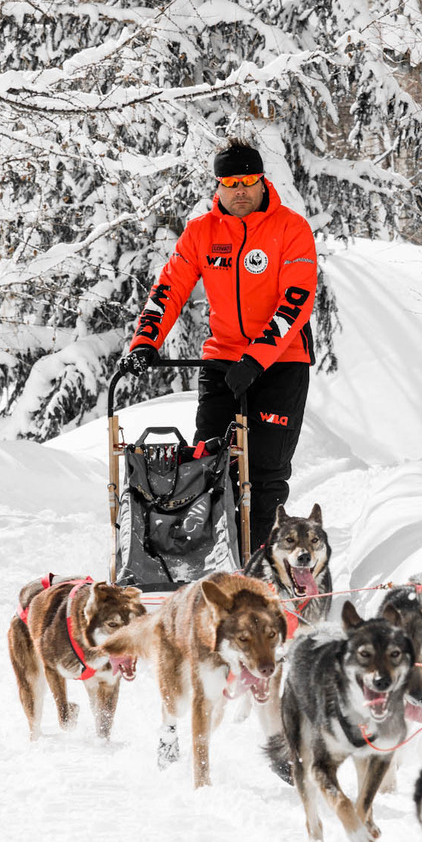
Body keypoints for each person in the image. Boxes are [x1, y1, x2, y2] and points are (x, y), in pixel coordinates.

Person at [116, 138, 317, 554]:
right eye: (230, 183)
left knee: (264, 473)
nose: (240, 190)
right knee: (209, 464)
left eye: (248, 181)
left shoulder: (290, 228)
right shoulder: (201, 232)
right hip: (223, 363)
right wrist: (145, 342)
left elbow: (296, 300)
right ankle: (208, 563)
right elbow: (168, 290)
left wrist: (256, 358)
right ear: (218, 186)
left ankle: (259, 566)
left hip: (281, 364)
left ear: (262, 181)